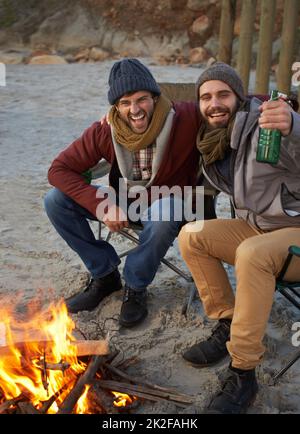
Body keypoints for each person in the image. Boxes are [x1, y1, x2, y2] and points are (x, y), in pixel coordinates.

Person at [178, 62, 300, 414]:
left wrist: (293, 126)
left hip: (293, 236)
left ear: (239, 96)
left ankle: (243, 370)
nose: (214, 103)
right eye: (206, 97)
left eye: (223, 95)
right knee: (192, 234)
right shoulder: (214, 141)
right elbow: (168, 110)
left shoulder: (268, 123)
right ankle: (228, 323)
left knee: (251, 254)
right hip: (259, 229)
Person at [44, 58, 201, 328]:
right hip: (125, 201)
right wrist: (102, 206)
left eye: (141, 100)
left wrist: (283, 104)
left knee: (165, 214)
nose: (135, 110)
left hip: (173, 200)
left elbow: (232, 101)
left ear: (155, 97)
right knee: (55, 200)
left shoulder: (186, 117)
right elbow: (58, 170)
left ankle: (136, 287)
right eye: (125, 103)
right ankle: (105, 275)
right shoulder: (107, 129)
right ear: (115, 106)